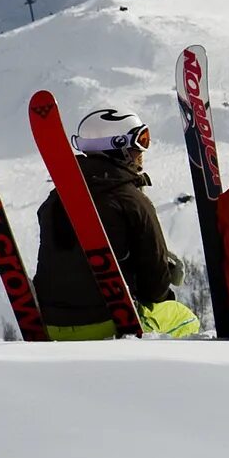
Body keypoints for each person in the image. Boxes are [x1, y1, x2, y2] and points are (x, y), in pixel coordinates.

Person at [33, 107, 201, 339]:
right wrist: (166, 274)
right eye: (140, 141)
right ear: (118, 147)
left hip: (52, 326)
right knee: (187, 319)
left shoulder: (53, 201)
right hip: (110, 324)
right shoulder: (131, 200)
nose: (143, 151)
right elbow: (155, 289)